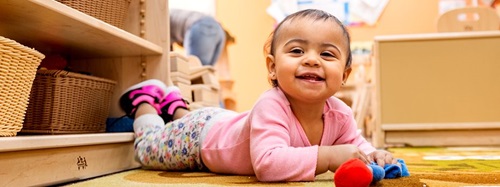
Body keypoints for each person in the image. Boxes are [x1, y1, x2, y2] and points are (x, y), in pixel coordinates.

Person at [119, 9, 398, 182]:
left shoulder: (340, 113)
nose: (312, 60)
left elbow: (355, 145)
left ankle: (174, 104)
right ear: (273, 67)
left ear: (344, 75)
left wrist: (376, 155)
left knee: (188, 119)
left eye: (327, 54)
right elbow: (267, 164)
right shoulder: (272, 103)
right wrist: (327, 157)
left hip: (222, 122)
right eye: (297, 51)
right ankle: (145, 101)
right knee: (146, 150)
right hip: (200, 140)